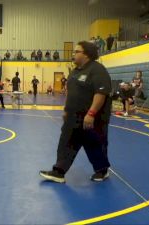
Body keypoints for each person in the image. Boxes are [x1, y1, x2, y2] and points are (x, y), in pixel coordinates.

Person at [40, 41, 112, 183]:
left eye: (76, 51)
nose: (73, 54)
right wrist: (66, 109)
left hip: (92, 118)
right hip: (73, 118)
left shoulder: (97, 70)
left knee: (94, 144)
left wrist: (91, 114)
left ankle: (102, 171)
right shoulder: (74, 72)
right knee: (66, 142)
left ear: (86, 54)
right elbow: (70, 92)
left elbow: (101, 93)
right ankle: (59, 172)